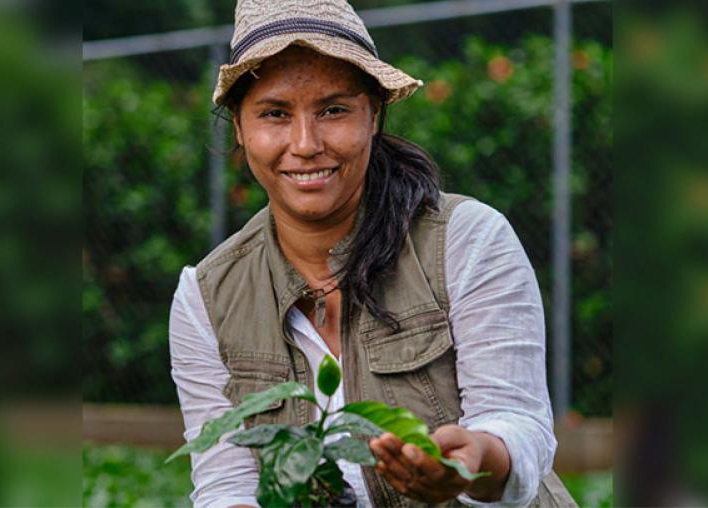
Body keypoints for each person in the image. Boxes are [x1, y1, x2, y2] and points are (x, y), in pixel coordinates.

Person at [169, 1, 562, 506]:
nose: (305, 143)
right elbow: (226, 483)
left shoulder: (467, 239)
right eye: (274, 114)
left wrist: (476, 457)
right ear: (241, 129)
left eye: (334, 110)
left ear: (374, 115)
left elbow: (520, 423)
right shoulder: (206, 297)